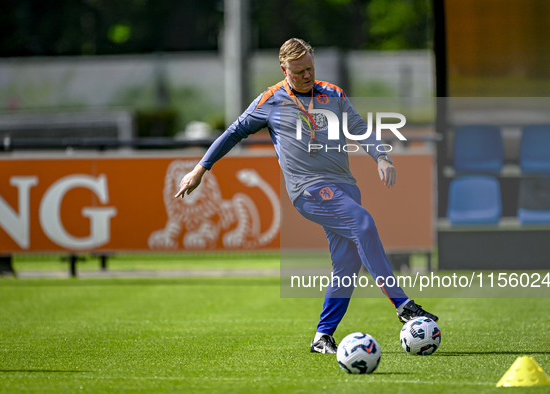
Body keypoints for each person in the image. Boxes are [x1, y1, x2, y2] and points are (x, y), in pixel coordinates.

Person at [175, 38, 438, 354]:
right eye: (299, 71)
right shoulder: (271, 100)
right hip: (309, 190)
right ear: (283, 69)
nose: (306, 75)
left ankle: (322, 337)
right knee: (363, 223)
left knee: (347, 265)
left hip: (345, 186)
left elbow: (359, 128)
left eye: (310, 68)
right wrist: (200, 169)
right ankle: (402, 304)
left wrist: (381, 157)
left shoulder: (333, 94)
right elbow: (233, 133)